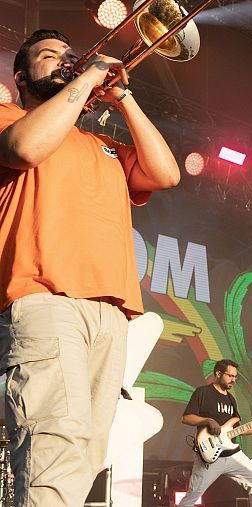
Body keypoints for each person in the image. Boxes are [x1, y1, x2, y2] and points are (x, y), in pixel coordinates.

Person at [0, 29, 179, 506]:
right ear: (21, 77)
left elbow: (166, 173)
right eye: (49, 56)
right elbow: (25, 149)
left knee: (85, 455)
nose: (65, 61)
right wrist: (91, 74)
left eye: (70, 57)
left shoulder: (103, 144)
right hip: (44, 300)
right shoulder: (9, 118)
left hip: (111, 314)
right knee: (52, 452)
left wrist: (123, 97)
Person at [178, 359, 252, 507]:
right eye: (230, 376)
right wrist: (207, 420)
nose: (233, 379)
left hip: (233, 455)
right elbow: (186, 418)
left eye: (235, 376)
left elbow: (235, 430)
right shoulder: (203, 392)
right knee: (192, 496)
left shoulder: (231, 399)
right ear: (218, 373)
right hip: (210, 456)